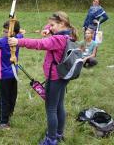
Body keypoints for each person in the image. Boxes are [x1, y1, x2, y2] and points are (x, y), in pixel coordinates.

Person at [8, 11, 78, 145]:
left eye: (52, 25)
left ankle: (51, 140)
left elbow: (39, 44)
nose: (50, 27)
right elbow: (50, 29)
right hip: (63, 76)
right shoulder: (68, 34)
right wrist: (47, 29)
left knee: (51, 108)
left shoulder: (57, 39)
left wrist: (18, 41)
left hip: (55, 78)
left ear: (62, 24)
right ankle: (59, 133)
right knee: (59, 105)